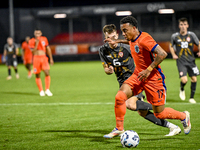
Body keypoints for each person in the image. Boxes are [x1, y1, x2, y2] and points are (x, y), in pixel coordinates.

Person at [104, 16, 191, 137]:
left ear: (134, 28)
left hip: (153, 79)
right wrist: (117, 41)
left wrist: (148, 69)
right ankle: (119, 128)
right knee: (120, 97)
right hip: (138, 76)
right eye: (122, 31)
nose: (123, 33)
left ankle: (183, 116)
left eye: (125, 30)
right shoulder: (133, 37)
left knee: (159, 114)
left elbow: (162, 53)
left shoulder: (145, 38)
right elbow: (131, 42)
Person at [170, 17, 200, 104]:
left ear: (187, 25)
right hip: (181, 61)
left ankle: (191, 98)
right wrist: (173, 54)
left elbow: (198, 43)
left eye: (185, 24)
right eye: (181, 24)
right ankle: (182, 88)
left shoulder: (192, 35)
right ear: (179, 26)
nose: (183, 26)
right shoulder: (175, 36)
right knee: (184, 80)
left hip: (191, 61)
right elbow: (171, 46)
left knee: (194, 79)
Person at [29, 28, 54, 96]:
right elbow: (33, 52)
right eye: (36, 33)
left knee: (47, 72)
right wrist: (36, 43)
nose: (37, 35)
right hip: (36, 58)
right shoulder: (31, 41)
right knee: (37, 74)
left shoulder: (44, 39)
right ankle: (41, 90)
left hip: (43, 57)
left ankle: (47, 90)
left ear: (41, 34)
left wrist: (51, 58)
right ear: (34, 34)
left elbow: (48, 48)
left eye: (38, 33)